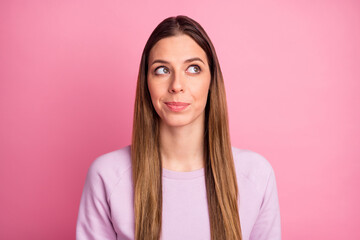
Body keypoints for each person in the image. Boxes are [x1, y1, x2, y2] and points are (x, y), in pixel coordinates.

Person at [76, 15, 281, 240]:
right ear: (146, 82)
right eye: (162, 70)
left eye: (193, 68)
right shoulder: (106, 175)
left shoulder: (257, 175)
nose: (176, 86)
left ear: (212, 81)